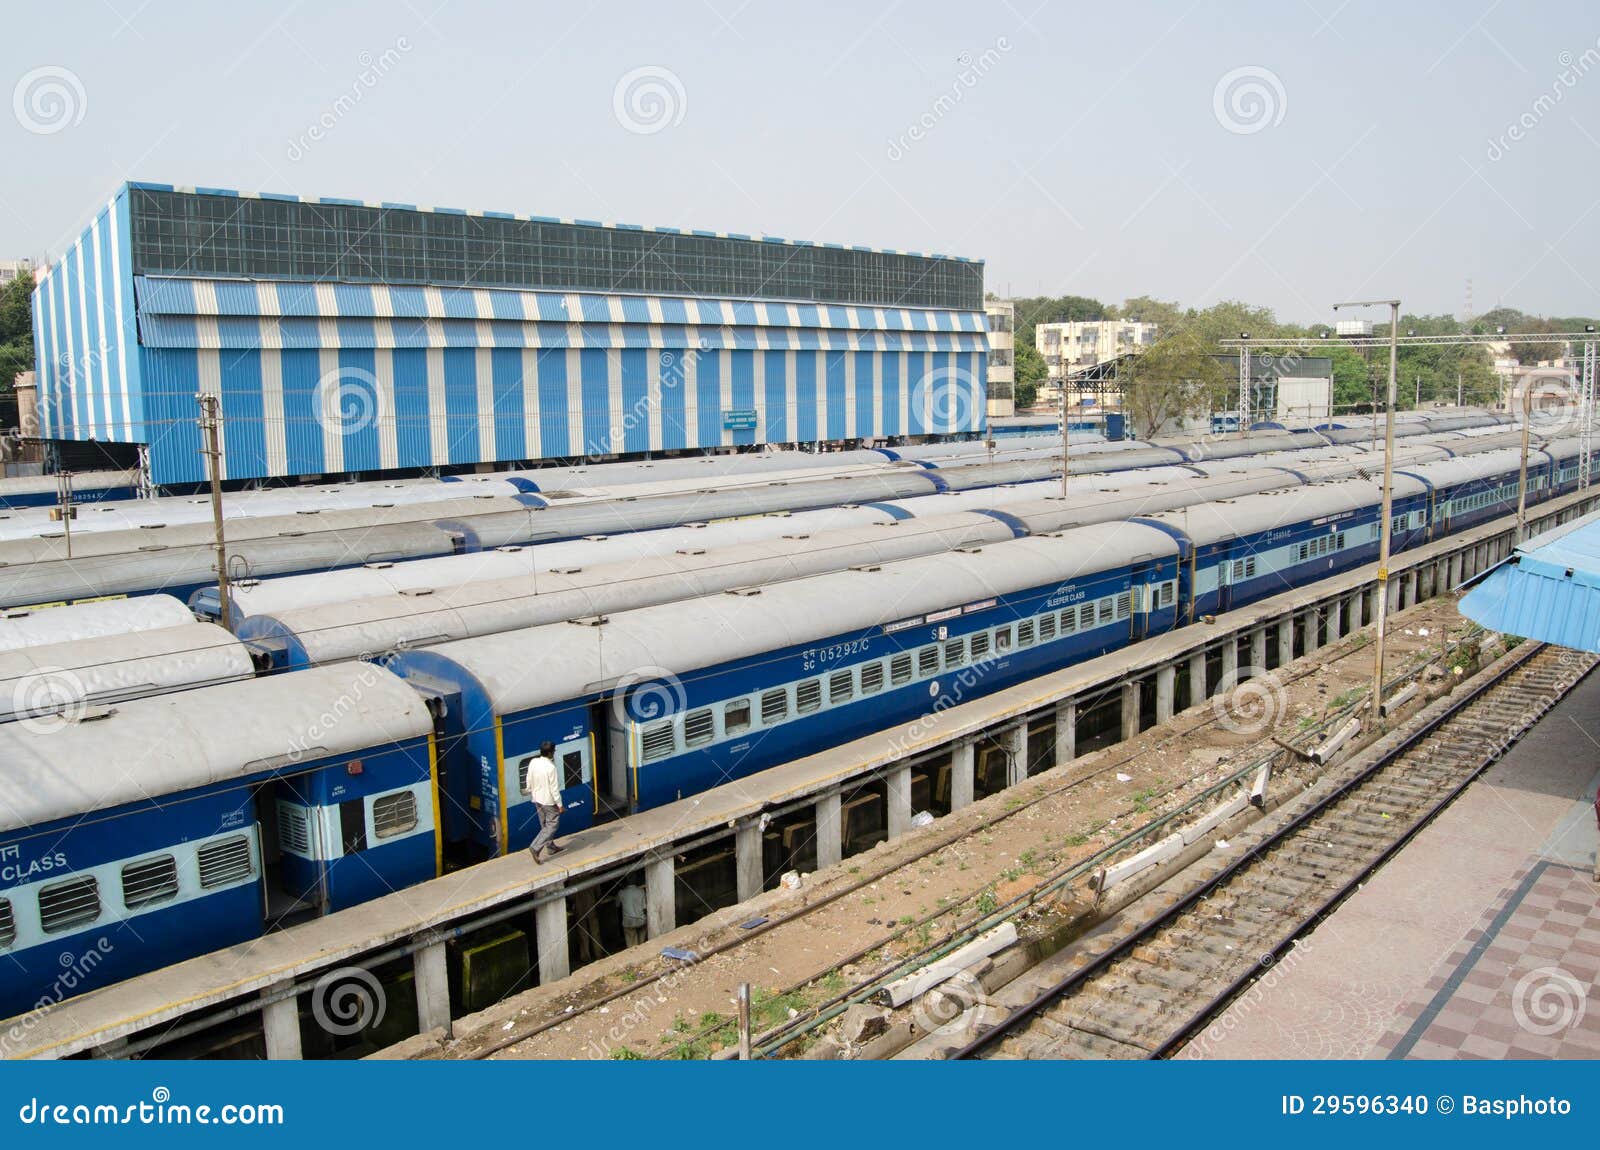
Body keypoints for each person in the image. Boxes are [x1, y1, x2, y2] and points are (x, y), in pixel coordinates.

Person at [525, 741, 565, 864]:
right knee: (552, 825)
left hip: (537, 799)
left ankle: (551, 847)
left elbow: (528, 778)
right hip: (548, 801)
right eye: (554, 751)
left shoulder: (533, 762)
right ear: (550, 753)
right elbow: (554, 788)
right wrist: (560, 805)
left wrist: (531, 790)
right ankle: (535, 848)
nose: (554, 753)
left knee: (544, 825)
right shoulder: (551, 767)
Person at [618, 881, 647, 948]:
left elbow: (617, 905)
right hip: (641, 920)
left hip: (629, 922)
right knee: (642, 941)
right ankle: (642, 948)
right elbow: (644, 908)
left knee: (632, 943)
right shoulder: (641, 891)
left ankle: (635, 953)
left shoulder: (621, 892)